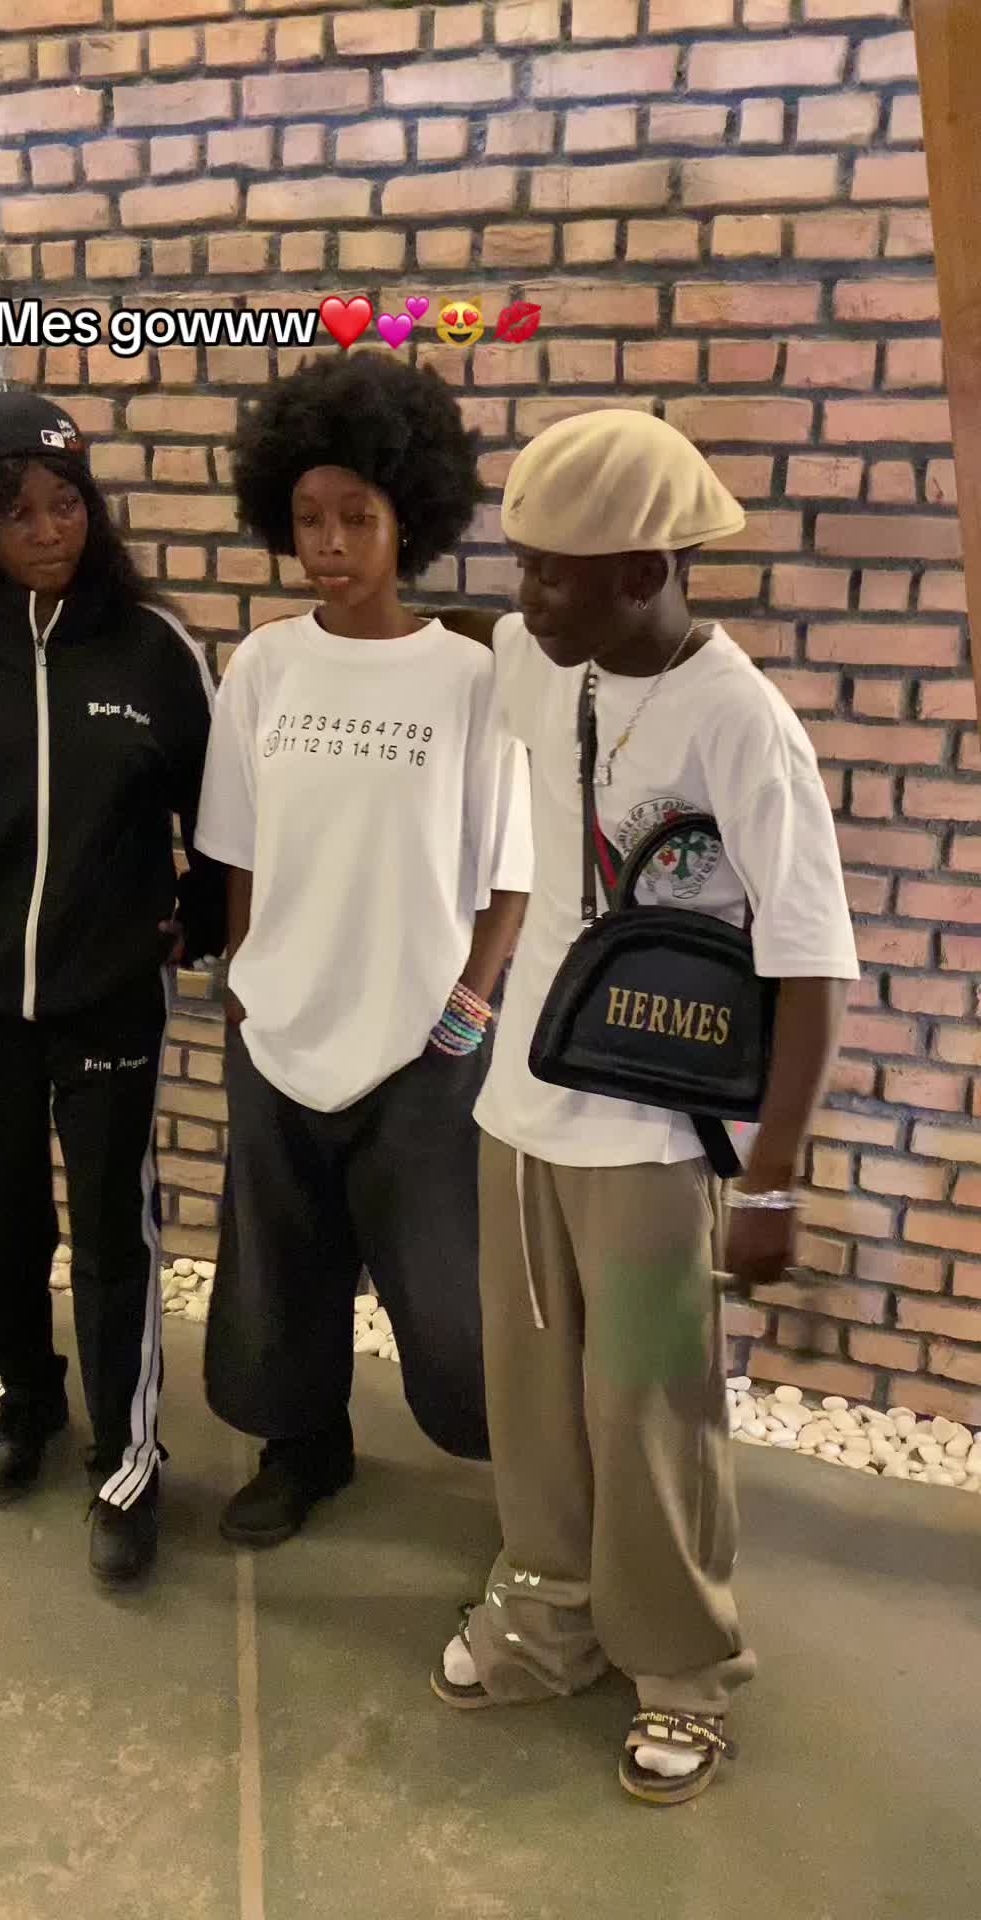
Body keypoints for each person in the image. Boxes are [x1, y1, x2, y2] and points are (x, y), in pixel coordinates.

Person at [430, 411, 858, 1805]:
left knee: (655, 1411)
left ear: (647, 570)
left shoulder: (742, 722)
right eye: (522, 566)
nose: (526, 595)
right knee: (532, 1400)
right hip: (519, 1120)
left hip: (660, 1151)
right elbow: (454, 636)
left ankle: (681, 1669)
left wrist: (775, 1176)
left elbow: (810, 962)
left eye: (553, 571)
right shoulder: (534, 658)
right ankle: (550, 1617)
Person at [196, 352, 532, 1547]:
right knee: (278, 1266)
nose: (330, 544)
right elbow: (238, 847)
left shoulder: (473, 677)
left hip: (425, 1038)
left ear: (410, 519)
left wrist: (473, 1003)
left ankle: (530, 1487)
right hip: (280, 1025)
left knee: (449, 1288)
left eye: (357, 517)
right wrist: (243, 980)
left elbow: (513, 867)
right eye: (308, 519)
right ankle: (302, 1451)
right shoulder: (264, 667)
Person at [0, 390, 225, 1586]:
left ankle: (127, 1457)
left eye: (67, 503)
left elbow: (221, 813)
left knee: (110, 1236)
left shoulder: (152, 647)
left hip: (107, 998)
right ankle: (27, 1396)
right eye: (18, 513)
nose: (50, 531)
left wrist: (200, 916)